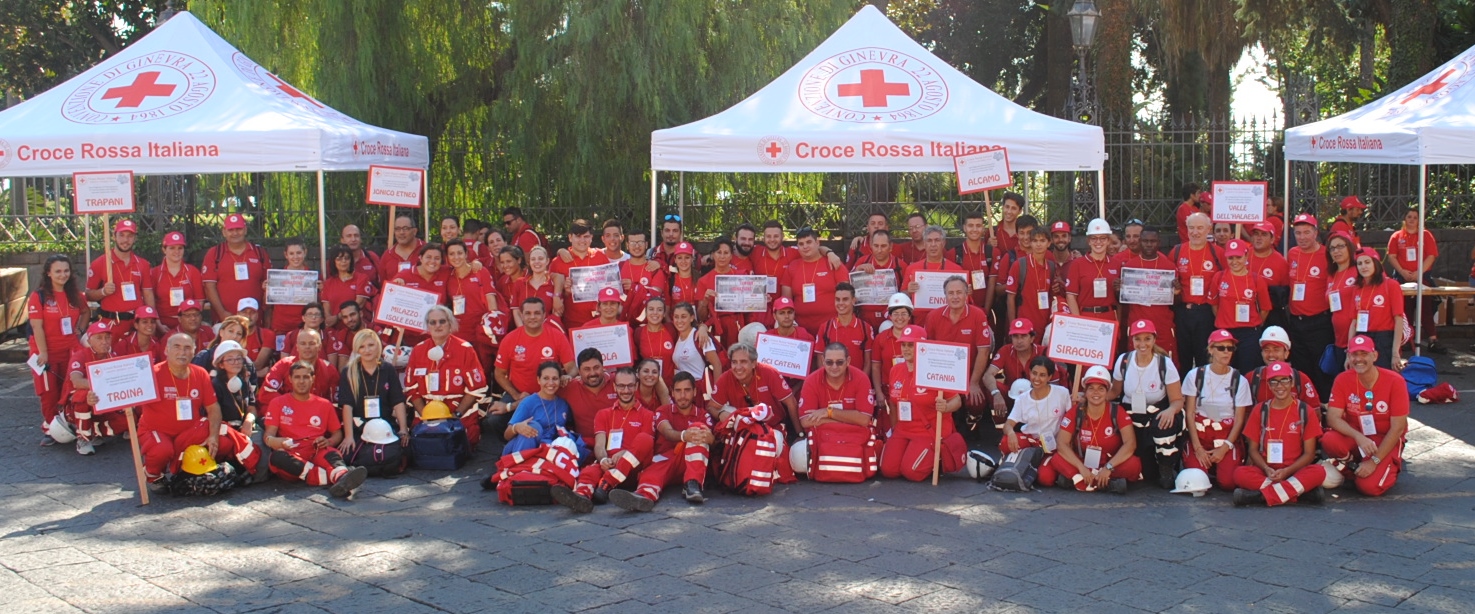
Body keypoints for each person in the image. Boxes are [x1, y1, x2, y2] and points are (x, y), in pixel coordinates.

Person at [137, 334, 249, 485]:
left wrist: (213, 436)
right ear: (166, 350)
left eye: (187, 348)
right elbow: (124, 396)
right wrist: (94, 398)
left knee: (224, 443)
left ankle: (189, 468)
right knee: (162, 450)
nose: (182, 352)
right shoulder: (151, 374)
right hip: (157, 430)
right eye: (177, 347)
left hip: (189, 430)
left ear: (193, 352)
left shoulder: (200, 373)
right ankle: (153, 475)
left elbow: (213, 407)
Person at [550, 368, 655, 513]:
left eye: (630, 386)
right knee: (590, 471)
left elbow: (645, 446)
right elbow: (599, 445)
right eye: (621, 386)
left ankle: (608, 482)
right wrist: (604, 459)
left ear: (636, 386)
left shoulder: (648, 415)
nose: (626, 390)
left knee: (645, 439)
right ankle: (581, 497)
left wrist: (625, 453)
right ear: (614, 387)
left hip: (635, 468)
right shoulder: (603, 414)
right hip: (609, 466)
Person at [261, 360, 369, 498]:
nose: (301, 381)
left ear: (313, 379)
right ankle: (336, 478)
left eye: (306, 377)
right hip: (292, 454)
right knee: (277, 457)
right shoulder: (277, 403)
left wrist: (328, 442)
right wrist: (279, 442)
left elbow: (337, 434)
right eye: (297, 377)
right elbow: (268, 436)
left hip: (317, 450)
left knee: (332, 454)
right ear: (290, 379)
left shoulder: (325, 404)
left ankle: (340, 475)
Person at [612, 371, 715, 510]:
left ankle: (692, 484)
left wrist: (711, 439)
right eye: (678, 391)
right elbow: (667, 432)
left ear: (695, 391)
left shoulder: (703, 415)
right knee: (652, 472)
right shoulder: (663, 410)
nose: (683, 395)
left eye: (687, 390)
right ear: (672, 392)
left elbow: (711, 440)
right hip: (665, 459)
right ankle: (643, 497)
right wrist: (685, 435)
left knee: (698, 428)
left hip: (689, 463)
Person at [1321, 335, 1408, 497]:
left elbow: (1398, 428)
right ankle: (1351, 470)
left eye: (1364, 354)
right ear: (1349, 357)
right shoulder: (1342, 379)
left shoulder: (1395, 381)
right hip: (1359, 437)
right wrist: (1359, 436)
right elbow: (1332, 418)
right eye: (1354, 354)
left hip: (1385, 438)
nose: (1358, 359)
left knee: (1369, 488)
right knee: (1329, 440)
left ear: (1374, 356)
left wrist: (1374, 462)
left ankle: (1385, 466)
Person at [1232, 361, 1328, 507]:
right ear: (1269, 386)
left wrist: (1287, 471)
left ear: (1292, 383)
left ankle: (1260, 497)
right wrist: (1266, 468)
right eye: (1274, 382)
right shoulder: (1260, 410)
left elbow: (1309, 454)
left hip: (1294, 470)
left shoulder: (1305, 410)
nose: (1279, 386)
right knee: (1239, 473)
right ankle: (1297, 493)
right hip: (1266, 471)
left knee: (1319, 471)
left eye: (1284, 380)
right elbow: (1252, 449)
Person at [880, 326, 966, 481]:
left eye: (911, 345)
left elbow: (957, 400)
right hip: (903, 428)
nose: (906, 349)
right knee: (888, 470)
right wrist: (894, 430)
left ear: (922, 346)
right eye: (903, 345)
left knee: (912, 473)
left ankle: (938, 458)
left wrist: (946, 407)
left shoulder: (935, 369)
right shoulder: (896, 370)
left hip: (928, 431)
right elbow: (893, 404)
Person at [1109, 319, 1185, 489]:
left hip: (1156, 415)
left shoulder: (1165, 363)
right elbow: (1114, 392)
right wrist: (1090, 396)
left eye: (1147, 339)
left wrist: (1171, 410)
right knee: (1147, 473)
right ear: (1132, 340)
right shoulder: (1124, 361)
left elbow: (1178, 400)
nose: (1142, 344)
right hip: (1132, 416)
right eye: (1138, 339)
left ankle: (1166, 467)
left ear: (1154, 339)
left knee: (1165, 424)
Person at [1039, 366, 1140, 493]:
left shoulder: (1117, 411)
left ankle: (1078, 480)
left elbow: (1130, 444)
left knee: (1134, 464)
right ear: (1085, 391)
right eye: (1091, 388)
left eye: (1101, 389)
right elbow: (1062, 444)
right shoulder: (1076, 412)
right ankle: (1105, 484)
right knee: (1057, 458)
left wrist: (1108, 468)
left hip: (1110, 462)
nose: (1095, 393)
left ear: (1107, 391)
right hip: (1083, 461)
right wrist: (1081, 468)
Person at [404, 305, 490, 446]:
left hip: (457, 414)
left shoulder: (465, 349)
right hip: (426, 414)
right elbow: (411, 390)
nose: (438, 326)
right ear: (427, 325)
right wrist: (427, 417)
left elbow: (476, 389)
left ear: (450, 324)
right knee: (422, 446)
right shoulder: (418, 350)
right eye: (433, 322)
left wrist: (456, 415)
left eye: (442, 321)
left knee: (459, 444)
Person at [1180, 330, 1253, 491]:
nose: (1226, 352)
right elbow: (1190, 413)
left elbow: (1240, 419)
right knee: (1196, 481)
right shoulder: (1195, 376)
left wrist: (1224, 448)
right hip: (1201, 434)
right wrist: (1198, 448)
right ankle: (1200, 462)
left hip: (1225, 435)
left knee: (1228, 483)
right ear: (1210, 350)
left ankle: (1220, 465)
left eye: (1230, 348)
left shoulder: (1239, 380)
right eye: (1221, 348)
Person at [924, 276, 994, 438]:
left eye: (959, 292)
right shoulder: (933, 316)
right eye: (951, 293)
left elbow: (983, 351)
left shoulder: (978, 315)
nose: (955, 297)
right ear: (945, 296)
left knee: (976, 401)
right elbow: (927, 351)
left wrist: (974, 382)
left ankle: (973, 424)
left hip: (970, 374)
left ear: (966, 294)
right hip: (943, 377)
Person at [29, 254, 88, 445]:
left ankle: (68, 423)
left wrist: (79, 329)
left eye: (66, 271)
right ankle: (50, 428)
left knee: (67, 389)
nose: (62, 275)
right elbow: (37, 327)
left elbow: (86, 311)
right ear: (48, 273)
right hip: (45, 352)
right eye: (58, 271)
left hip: (69, 350)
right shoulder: (38, 297)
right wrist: (43, 353)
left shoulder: (76, 296)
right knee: (48, 392)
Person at [798, 344, 878, 480]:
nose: (834, 367)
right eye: (829, 362)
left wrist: (829, 412)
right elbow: (805, 420)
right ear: (823, 361)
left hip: (853, 439)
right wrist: (850, 418)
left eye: (839, 362)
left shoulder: (861, 378)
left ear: (848, 361)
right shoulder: (812, 380)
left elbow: (864, 420)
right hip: (825, 438)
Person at [493, 298, 577, 419]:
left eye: (537, 313)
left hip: (551, 393)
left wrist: (568, 376)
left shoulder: (557, 336)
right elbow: (499, 373)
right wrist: (516, 395)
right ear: (521, 315)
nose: (532, 317)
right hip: (521, 395)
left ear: (544, 315)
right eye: (528, 313)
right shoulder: (510, 339)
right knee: (493, 421)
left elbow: (572, 368)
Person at [336, 328, 410, 458]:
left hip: (385, 424)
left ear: (378, 345)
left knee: (402, 452)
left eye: (371, 345)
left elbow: (398, 402)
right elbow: (347, 406)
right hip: (360, 426)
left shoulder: (388, 369)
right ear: (357, 349)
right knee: (349, 454)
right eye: (362, 347)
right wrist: (348, 437)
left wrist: (403, 429)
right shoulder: (349, 371)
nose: (367, 350)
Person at [1286, 214, 1334, 399]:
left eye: (1307, 232)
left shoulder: (1327, 254)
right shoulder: (1292, 253)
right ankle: (1305, 407)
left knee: (1321, 370)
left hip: (1319, 321)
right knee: (1301, 371)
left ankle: (1324, 409)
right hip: (1297, 322)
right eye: (1298, 233)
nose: (1302, 237)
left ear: (1315, 232)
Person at [1172, 213, 1226, 376]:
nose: (1195, 232)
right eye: (1191, 228)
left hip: (1206, 312)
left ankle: (1204, 393)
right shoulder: (1177, 251)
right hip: (1183, 312)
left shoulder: (1218, 253)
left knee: (1205, 356)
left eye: (1200, 228)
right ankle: (1183, 395)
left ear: (1209, 229)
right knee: (1183, 357)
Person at [65, 322, 128, 455]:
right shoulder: (80, 355)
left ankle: (95, 432)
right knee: (84, 396)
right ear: (89, 340)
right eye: (99, 338)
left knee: (132, 415)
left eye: (107, 337)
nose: (104, 342)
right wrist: (102, 385)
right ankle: (83, 438)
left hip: (105, 404)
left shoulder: (113, 356)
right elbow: (76, 381)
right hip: (75, 406)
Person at [986, 318, 1067, 422]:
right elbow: (987, 375)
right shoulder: (1005, 350)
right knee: (992, 387)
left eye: (1023, 336)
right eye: (1015, 336)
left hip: (1039, 399)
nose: (1019, 341)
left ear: (1032, 338)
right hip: (1012, 396)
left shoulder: (1044, 352)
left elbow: (1055, 384)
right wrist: (996, 394)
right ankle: (1001, 426)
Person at [708, 343, 799, 434]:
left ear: (754, 363)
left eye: (743, 362)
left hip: (773, 427)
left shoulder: (769, 372)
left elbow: (791, 403)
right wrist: (720, 414)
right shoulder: (726, 378)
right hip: (744, 429)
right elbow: (711, 407)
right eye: (734, 362)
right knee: (727, 410)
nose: (738, 367)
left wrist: (799, 434)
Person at [1210, 239, 1272, 372]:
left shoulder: (1256, 279)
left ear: (1246, 256)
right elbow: (1214, 305)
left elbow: (1265, 308)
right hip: (1225, 333)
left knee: (1248, 371)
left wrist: (1254, 324)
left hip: (1249, 334)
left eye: (1238, 257)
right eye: (1230, 258)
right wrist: (1225, 319)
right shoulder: (1219, 277)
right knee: (1225, 371)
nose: (1234, 261)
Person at [85, 218, 155, 336]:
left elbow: (148, 294)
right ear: (114, 236)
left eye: (130, 236)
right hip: (111, 324)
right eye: (121, 235)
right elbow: (88, 295)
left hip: (136, 325)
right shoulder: (100, 263)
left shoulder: (143, 264)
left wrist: (152, 320)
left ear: (135, 238)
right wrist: (103, 292)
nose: (125, 240)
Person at [500, 361, 582, 458]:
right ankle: (519, 468)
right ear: (538, 380)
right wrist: (516, 428)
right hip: (524, 448)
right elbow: (507, 435)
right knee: (534, 426)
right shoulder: (528, 402)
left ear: (560, 380)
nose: (550, 383)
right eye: (546, 378)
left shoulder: (563, 404)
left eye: (555, 378)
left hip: (550, 451)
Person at [1386, 206, 1440, 352]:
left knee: (1425, 308)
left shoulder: (1425, 235)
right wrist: (1402, 271)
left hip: (1422, 277)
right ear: (1404, 219)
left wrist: (1419, 272)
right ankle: (1406, 339)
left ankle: (1433, 339)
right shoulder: (1396, 236)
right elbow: (1392, 256)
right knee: (1404, 310)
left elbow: (1431, 255)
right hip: (1402, 278)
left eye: (1415, 217)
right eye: (1409, 217)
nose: (1412, 220)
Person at [1119, 226, 1178, 358]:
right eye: (1145, 241)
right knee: (1136, 361)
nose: (1149, 244)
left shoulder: (1169, 267)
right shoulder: (1129, 267)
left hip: (1162, 323)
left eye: (1153, 241)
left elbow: (1176, 303)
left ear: (1159, 242)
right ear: (1140, 242)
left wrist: (1177, 291)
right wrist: (1119, 290)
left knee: (1165, 362)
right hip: (1137, 321)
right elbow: (1122, 301)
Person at [1341, 247, 1405, 369]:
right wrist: (1349, 353)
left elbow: (1398, 319)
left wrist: (1395, 352)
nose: (1363, 267)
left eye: (1367, 262)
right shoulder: (1357, 288)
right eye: (1359, 263)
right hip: (1362, 337)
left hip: (1383, 339)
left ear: (1375, 263)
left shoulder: (1391, 285)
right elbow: (1354, 321)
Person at [202, 214, 271, 322]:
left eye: (238, 229)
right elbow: (209, 287)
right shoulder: (215, 254)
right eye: (231, 230)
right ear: (224, 232)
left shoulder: (259, 253)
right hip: (225, 319)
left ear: (245, 230)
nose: (235, 233)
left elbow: (268, 285)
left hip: (254, 319)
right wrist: (222, 313)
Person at [781, 228, 850, 333]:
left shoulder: (833, 262)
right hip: (801, 329)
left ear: (817, 243)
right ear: (798, 247)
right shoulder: (792, 267)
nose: (805, 246)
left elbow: (846, 297)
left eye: (809, 242)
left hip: (831, 326)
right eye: (801, 244)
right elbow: (786, 302)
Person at [446, 240, 500, 373]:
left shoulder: (480, 271)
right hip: (459, 332)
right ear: (447, 258)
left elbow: (491, 301)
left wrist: (491, 326)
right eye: (452, 254)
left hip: (480, 331)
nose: (456, 257)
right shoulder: (448, 276)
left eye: (459, 253)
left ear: (466, 254)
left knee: (483, 370)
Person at [1000, 356, 1071, 456]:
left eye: (1042, 375)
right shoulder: (1022, 398)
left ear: (1049, 377)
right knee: (1005, 442)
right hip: (1031, 441)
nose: (1037, 378)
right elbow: (1008, 425)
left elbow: (1071, 419)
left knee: (1045, 472)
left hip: (1055, 443)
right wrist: (1011, 433)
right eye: (1034, 373)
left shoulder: (1062, 393)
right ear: (1029, 372)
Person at [549, 220, 612, 330]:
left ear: (591, 237)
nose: (582, 240)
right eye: (578, 236)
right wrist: (565, 290)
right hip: (572, 323)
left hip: (599, 321)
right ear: (570, 237)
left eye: (586, 236)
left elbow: (609, 286)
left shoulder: (600, 257)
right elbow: (551, 295)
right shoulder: (558, 262)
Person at [258, 329, 340, 409]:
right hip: (286, 415)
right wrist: (294, 405)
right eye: (303, 343)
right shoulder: (283, 365)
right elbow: (265, 393)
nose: (307, 347)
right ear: (297, 346)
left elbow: (336, 405)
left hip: (316, 417)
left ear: (319, 347)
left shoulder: (329, 370)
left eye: (312, 343)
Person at [388, 243, 450, 348]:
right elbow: (389, 296)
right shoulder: (406, 274)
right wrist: (396, 284)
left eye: (437, 258)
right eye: (428, 257)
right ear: (420, 258)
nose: (432, 261)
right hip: (410, 338)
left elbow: (463, 268)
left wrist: (475, 264)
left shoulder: (446, 272)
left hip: (437, 335)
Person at [1247, 327, 1320, 410]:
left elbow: (1315, 412)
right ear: (1261, 353)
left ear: (1286, 353)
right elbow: (1246, 414)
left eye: (1276, 350)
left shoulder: (1301, 379)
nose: (1271, 354)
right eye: (1266, 350)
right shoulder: (1251, 378)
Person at [870, 293, 913, 433]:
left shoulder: (918, 335)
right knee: (891, 431)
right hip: (889, 393)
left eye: (903, 313)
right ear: (890, 316)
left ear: (909, 315)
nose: (899, 318)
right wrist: (878, 392)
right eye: (895, 314)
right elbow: (876, 367)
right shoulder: (881, 339)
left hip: (911, 393)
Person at [902, 225, 965, 321]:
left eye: (937, 240)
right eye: (929, 241)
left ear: (943, 243)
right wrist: (909, 292)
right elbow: (902, 296)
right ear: (924, 243)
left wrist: (967, 292)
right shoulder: (912, 269)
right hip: (920, 320)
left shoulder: (957, 270)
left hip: (948, 320)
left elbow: (964, 300)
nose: (933, 244)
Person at [1065, 219, 1121, 324]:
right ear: (1089, 241)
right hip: (1086, 317)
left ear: (1108, 240)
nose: (1098, 242)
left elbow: (1120, 299)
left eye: (1103, 238)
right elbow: (1071, 296)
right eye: (1094, 238)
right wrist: (1078, 322)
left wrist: (1118, 322)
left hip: (1109, 317)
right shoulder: (1077, 264)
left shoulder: (1116, 264)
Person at [697, 238, 751, 347]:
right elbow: (701, 317)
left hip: (738, 326)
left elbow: (750, 307)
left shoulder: (741, 277)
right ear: (713, 255)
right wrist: (705, 301)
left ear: (731, 256)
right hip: (717, 328)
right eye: (719, 252)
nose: (722, 256)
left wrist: (760, 298)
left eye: (726, 253)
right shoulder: (703, 281)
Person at [1005, 227, 1057, 336]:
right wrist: (1013, 325)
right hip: (1024, 323)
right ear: (1030, 243)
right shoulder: (1020, 265)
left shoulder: (1051, 266)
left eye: (1042, 241)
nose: (1038, 244)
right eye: (1035, 241)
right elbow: (1010, 297)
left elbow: (1052, 296)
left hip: (1045, 322)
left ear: (1049, 243)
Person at [560, 348, 618, 445]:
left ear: (603, 367)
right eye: (587, 369)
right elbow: (543, 395)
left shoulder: (617, 382)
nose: (592, 373)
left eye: (596, 367)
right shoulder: (569, 387)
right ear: (579, 371)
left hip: (616, 443)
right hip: (584, 447)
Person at [851, 229, 908, 329]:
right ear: (871, 246)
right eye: (876, 246)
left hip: (889, 318)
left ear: (890, 247)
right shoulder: (862, 261)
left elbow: (906, 294)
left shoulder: (900, 265)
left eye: (883, 246)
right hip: (864, 317)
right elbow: (847, 289)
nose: (879, 250)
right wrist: (857, 271)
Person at [209, 340, 259, 452]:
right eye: (230, 359)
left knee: (260, 438)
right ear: (221, 364)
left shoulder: (244, 381)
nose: (236, 362)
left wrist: (248, 421)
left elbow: (252, 407)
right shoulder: (215, 385)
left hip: (243, 427)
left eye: (238, 358)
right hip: (225, 431)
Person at [152, 231, 204, 328]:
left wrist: (193, 323)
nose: (177, 251)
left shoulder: (192, 271)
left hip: (188, 325)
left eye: (180, 248)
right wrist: (159, 325)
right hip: (163, 325)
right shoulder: (155, 273)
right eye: (172, 248)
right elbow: (150, 301)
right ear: (164, 249)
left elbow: (199, 301)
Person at [815, 283, 872, 369]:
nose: (840, 303)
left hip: (857, 381)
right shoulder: (825, 327)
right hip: (832, 380)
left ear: (853, 301)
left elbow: (868, 362)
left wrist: (860, 381)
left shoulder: (865, 328)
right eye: (838, 299)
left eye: (845, 299)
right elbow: (820, 360)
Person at [267, 239, 315, 339]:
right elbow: (268, 305)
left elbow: (318, 303)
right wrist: (266, 290)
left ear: (305, 252)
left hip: (304, 326)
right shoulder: (277, 275)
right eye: (291, 253)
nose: (295, 257)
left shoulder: (313, 276)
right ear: (286, 255)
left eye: (299, 253)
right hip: (280, 327)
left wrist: (321, 289)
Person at [1247, 222, 1290, 330]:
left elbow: (1284, 291)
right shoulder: (1243, 255)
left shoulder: (1280, 262)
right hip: (1243, 310)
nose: (1259, 238)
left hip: (1270, 316)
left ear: (1272, 239)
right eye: (1256, 234)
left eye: (1264, 234)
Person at [322, 244, 376, 329]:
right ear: (333, 261)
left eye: (347, 258)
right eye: (339, 259)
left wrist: (337, 317)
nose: (343, 261)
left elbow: (359, 304)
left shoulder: (361, 278)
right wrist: (329, 320)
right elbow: (326, 311)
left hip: (356, 328)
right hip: (336, 330)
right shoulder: (328, 283)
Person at [949, 212, 993, 310]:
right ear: (964, 228)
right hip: (961, 309)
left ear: (983, 229)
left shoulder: (992, 252)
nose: (974, 229)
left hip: (985, 309)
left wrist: (986, 310)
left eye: (978, 226)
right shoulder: (954, 253)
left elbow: (992, 284)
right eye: (970, 226)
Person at [669, 302, 721, 386]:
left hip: (700, 388)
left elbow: (717, 364)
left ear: (692, 318)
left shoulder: (700, 336)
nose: (679, 321)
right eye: (676, 317)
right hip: (684, 389)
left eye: (683, 316)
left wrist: (716, 392)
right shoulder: (677, 337)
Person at [512, 246, 562, 330]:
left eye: (540, 258)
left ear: (547, 261)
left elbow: (557, 312)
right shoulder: (520, 283)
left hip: (548, 330)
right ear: (529, 262)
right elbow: (516, 311)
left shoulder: (554, 284)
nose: (537, 262)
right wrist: (523, 331)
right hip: (525, 331)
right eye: (533, 259)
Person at [634, 297, 676, 384]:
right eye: (651, 309)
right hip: (649, 385)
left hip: (671, 384)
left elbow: (690, 328)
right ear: (646, 312)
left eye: (659, 310)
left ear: (664, 313)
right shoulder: (638, 332)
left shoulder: (671, 329)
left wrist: (703, 327)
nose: (655, 313)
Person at [379, 212, 425, 279]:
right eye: (397, 229)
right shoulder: (387, 255)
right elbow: (383, 285)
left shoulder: (427, 250)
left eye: (405, 228)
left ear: (414, 231)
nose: (401, 232)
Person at [234, 299, 276, 372]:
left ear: (257, 315)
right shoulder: (232, 335)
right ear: (238, 314)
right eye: (244, 312)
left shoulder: (267, 334)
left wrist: (236, 368)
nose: (248, 316)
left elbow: (258, 365)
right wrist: (258, 374)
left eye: (252, 312)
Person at [326, 301, 365, 369]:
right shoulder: (342, 335)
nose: (349, 319)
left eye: (352, 314)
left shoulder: (374, 330)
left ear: (361, 313)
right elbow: (343, 368)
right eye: (345, 317)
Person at [666, 241, 700, 308]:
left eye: (687, 257)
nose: (683, 261)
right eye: (679, 258)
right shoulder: (670, 281)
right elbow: (667, 311)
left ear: (692, 259)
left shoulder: (700, 279)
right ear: (675, 259)